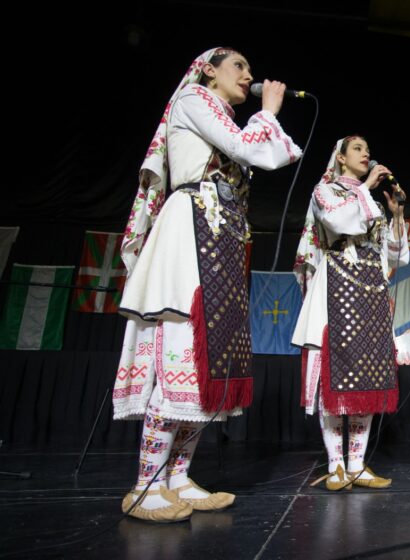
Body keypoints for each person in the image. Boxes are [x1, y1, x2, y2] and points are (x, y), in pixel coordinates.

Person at [113, 47, 302, 522]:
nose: (249, 75)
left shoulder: (220, 114)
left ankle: (178, 478)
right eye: (240, 66)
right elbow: (247, 148)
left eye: (250, 68)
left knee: (206, 364)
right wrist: (269, 112)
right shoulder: (194, 99)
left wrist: (265, 120)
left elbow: (263, 153)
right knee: (182, 346)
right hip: (190, 229)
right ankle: (145, 486)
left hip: (219, 236)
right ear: (209, 70)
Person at [293, 136, 408, 490]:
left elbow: (396, 256)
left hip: (371, 290)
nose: (366, 153)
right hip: (337, 284)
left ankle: (357, 463)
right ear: (341, 158)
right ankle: (336, 464)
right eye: (358, 149)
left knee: (368, 374)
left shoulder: (370, 201)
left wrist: (397, 217)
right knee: (335, 372)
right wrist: (367, 188)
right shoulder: (325, 191)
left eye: (367, 149)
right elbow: (340, 224)